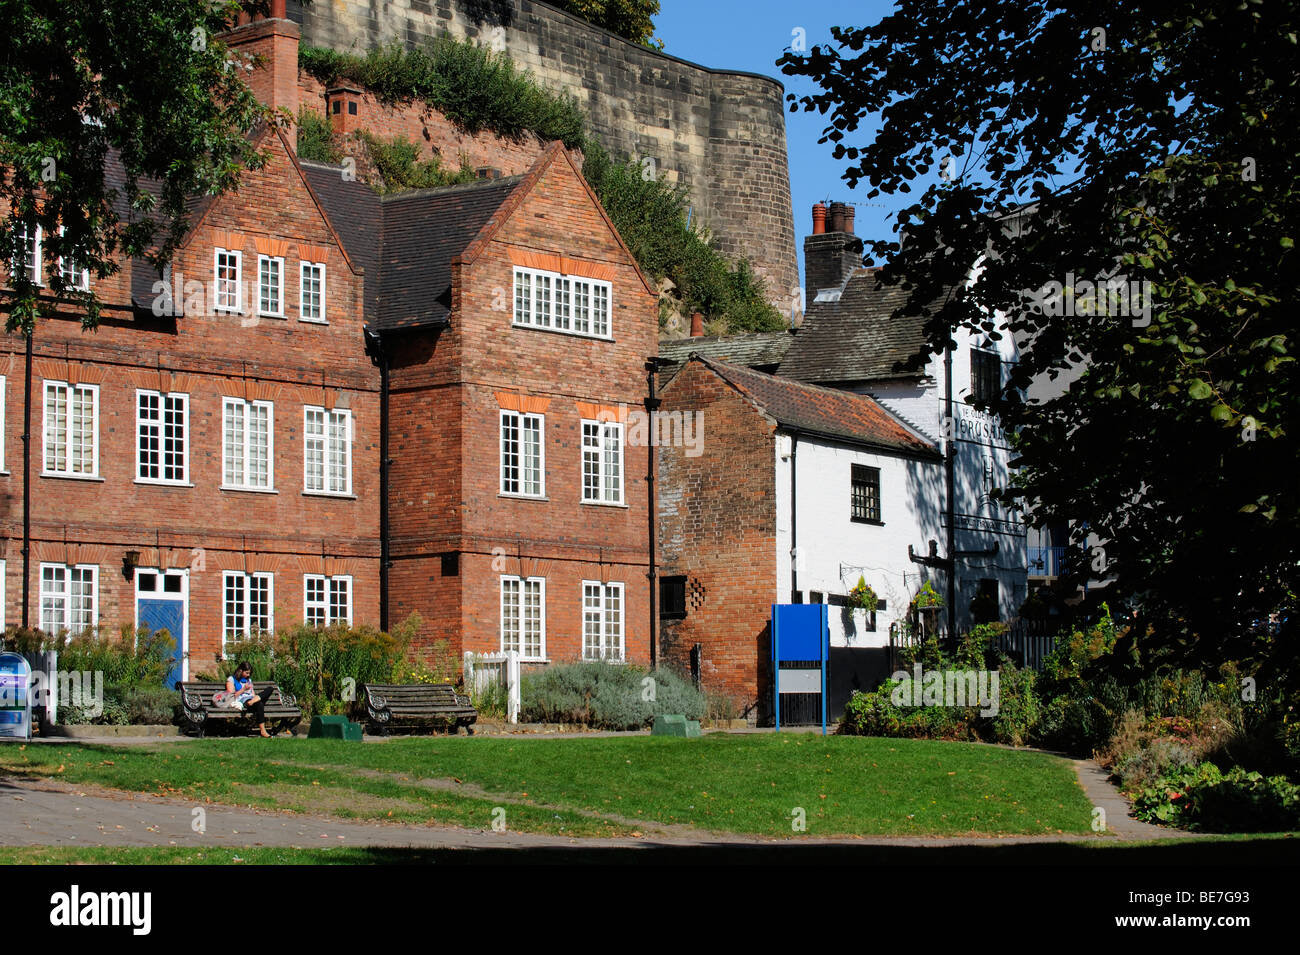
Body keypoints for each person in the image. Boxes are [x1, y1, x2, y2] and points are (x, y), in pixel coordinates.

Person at [226, 661, 276, 738]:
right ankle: (263, 731)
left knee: (270, 688)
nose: (248, 675)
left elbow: (252, 693)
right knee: (259, 704)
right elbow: (231, 696)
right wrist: (243, 689)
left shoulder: (248, 680)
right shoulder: (232, 679)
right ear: (240, 670)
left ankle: (253, 701)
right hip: (244, 701)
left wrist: (253, 698)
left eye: (249, 673)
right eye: (246, 673)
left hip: (252, 700)